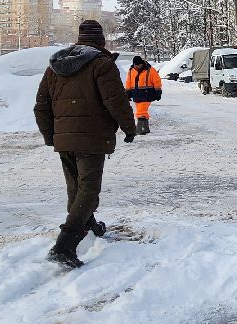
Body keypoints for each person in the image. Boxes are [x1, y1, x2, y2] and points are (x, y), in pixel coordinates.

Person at [34, 19, 137, 269]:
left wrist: (51, 136)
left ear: (79, 40)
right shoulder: (101, 64)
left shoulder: (55, 67)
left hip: (64, 139)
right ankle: (64, 245)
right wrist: (129, 127)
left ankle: (88, 225)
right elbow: (116, 101)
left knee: (76, 188)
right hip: (92, 138)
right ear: (100, 41)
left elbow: (41, 106)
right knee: (88, 191)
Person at [125, 54, 162, 135]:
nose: (138, 66)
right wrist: (128, 92)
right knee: (141, 111)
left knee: (141, 112)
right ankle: (145, 129)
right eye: (136, 65)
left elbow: (157, 81)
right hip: (136, 94)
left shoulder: (150, 69)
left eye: (139, 64)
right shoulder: (131, 70)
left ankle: (138, 129)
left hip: (147, 94)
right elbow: (129, 82)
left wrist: (158, 92)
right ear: (134, 64)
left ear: (142, 63)